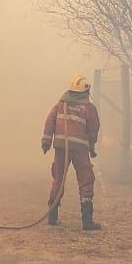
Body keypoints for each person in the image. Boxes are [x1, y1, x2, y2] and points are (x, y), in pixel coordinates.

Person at [41, 75, 102, 231]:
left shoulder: (61, 104)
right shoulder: (89, 107)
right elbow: (94, 128)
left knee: (58, 179)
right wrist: (92, 146)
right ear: (86, 91)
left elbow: (50, 121)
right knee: (86, 180)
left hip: (61, 147)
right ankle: (87, 220)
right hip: (80, 149)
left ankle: (52, 215)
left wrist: (46, 142)